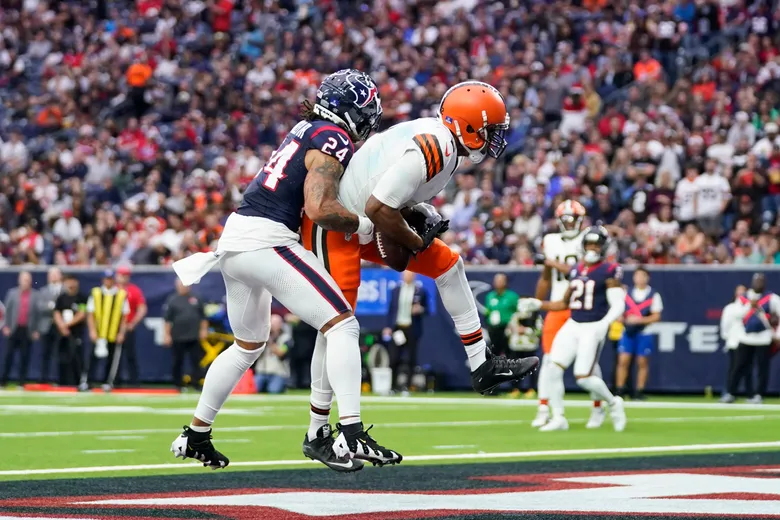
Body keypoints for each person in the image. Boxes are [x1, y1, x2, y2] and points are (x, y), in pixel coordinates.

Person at [299, 81, 538, 470]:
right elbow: (379, 207)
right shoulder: (435, 147)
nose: (495, 138)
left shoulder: (444, 146)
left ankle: (481, 364)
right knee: (338, 327)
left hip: (364, 223)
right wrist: (413, 239)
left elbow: (386, 205)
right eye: (490, 129)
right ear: (467, 126)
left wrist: (415, 218)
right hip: (338, 225)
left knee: (448, 265)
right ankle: (319, 433)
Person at [171, 69, 397, 473]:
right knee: (343, 325)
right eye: (365, 111)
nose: (368, 119)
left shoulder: (305, 127)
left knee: (247, 346)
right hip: (266, 240)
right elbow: (320, 208)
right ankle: (350, 431)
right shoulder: (332, 136)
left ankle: (196, 434)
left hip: (235, 240)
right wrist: (366, 225)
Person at [518, 226, 627, 432]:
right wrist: (538, 304)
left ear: (604, 247)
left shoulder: (609, 270)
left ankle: (613, 403)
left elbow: (618, 304)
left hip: (592, 326)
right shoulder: (577, 269)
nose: (593, 248)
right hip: (573, 324)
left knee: (583, 378)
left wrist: (604, 324)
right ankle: (559, 417)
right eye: (589, 244)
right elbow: (564, 303)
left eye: (597, 245)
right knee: (553, 367)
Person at [532, 200, 602, 429]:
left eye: (573, 219)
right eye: (566, 219)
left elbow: (580, 271)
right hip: (557, 305)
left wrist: (550, 262)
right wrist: (538, 304)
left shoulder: (590, 239)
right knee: (549, 360)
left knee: (589, 362)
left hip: (581, 306)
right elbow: (545, 277)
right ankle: (545, 408)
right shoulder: (550, 240)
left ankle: (598, 407)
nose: (569, 223)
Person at [727, 273, 780, 404]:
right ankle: (731, 393)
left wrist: (778, 335)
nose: (758, 283)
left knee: (762, 367)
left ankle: (759, 394)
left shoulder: (772, 298)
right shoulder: (743, 298)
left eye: (761, 281)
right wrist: (750, 306)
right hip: (746, 337)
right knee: (739, 365)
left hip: (764, 337)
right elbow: (736, 315)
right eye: (757, 281)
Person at [615, 267, 664, 400]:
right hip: (628, 331)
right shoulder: (626, 293)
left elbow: (656, 316)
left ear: (647, 278)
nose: (639, 279)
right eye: (637, 275)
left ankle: (639, 390)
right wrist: (624, 319)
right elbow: (618, 313)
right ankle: (620, 389)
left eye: (642, 276)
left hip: (644, 332)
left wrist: (640, 320)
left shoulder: (653, 294)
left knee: (642, 361)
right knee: (623, 360)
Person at [84, 269, 129, 392]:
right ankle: (87, 381)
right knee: (92, 358)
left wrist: (121, 333)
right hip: (99, 331)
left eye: (110, 279)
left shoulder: (121, 294)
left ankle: (109, 382)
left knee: (112, 359)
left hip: (113, 332)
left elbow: (124, 316)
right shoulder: (96, 293)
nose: (108, 281)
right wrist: (92, 330)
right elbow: (90, 314)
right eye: (106, 279)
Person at [384, 271, 428, 393]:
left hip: (412, 328)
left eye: (410, 274)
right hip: (398, 328)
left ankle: (407, 387)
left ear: (414, 276)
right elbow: (391, 309)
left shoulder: (420, 291)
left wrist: (420, 309)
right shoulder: (396, 290)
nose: (407, 277)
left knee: (410, 358)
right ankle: (393, 386)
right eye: (405, 274)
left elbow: (427, 309)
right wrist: (388, 326)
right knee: (394, 358)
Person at [163, 279, 208, 392]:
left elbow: (203, 317)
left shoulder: (196, 298)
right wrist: (167, 335)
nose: (183, 287)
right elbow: (167, 320)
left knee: (196, 361)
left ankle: (197, 383)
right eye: (181, 285)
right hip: (178, 335)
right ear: (177, 286)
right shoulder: (172, 300)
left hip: (194, 335)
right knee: (177, 361)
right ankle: (177, 384)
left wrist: (203, 330)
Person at [1, 272, 41, 388]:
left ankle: (21, 381)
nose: (26, 282)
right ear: (19, 280)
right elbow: (7, 311)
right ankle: (3, 380)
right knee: (9, 356)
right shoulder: (12, 293)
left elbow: (37, 314)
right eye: (24, 279)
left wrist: (36, 330)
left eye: (28, 280)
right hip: (14, 328)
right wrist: (6, 326)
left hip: (27, 329)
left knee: (25, 357)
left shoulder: (35, 295)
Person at [52, 275, 87, 386]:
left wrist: (67, 324)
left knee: (76, 357)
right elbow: (56, 312)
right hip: (62, 333)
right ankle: (63, 381)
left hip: (76, 332)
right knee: (62, 357)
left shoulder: (81, 297)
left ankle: (78, 381)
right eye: (68, 281)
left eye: (72, 281)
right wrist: (62, 326)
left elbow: (82, 313)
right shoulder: (61, 298)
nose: (71, 284)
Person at [115, 265, 147, 387]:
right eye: (121, 275)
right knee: (114, 355)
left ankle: (133, 381)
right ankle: (114, 380)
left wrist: (133, 323)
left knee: (130, 354)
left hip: (128, 326)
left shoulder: (134, 290)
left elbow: (142, 308)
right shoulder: (113, 289)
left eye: (126, 275)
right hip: (113, 327)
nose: (123, 278)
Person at [506, 307, 543, 397]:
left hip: (530, 346)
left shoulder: (536, 316)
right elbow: (508, 330)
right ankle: (515, 389)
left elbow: (539, 330)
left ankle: (532, 389)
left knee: (531, 369)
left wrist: (526, 330)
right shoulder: (514, 315)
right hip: (516, 346)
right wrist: (515, 330)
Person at [720, 285, 747, 403]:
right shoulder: (730, 308)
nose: (741, 294)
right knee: (734, 368)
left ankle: (751, 394)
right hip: (733, 342)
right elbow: (724, 325)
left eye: (743, 291)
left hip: (747, 342)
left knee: (747, 369)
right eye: (739, 291)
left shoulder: (751, 306)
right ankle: (728, 392)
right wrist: (727, 337)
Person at [483, 273, 519, 358]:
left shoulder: (512, 296)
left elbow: (518, 312)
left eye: (500, 280)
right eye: (496, 280)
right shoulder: (490, 296)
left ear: (505, 282)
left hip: (508, 329)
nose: (498, 282)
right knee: (494, 353)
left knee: (510, 353)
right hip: (494, 329)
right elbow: (487, 312)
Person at [254, 314, 291, 394]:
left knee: (274, 391)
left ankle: (283, 386)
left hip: (278, 372)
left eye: (275, 323)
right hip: (262, 371)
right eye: (271, 323)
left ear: (280, 324)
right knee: (254, 390)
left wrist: (269, 340)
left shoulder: (286, 338)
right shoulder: (262, 337)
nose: (272, 326)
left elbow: (281, 353)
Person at [37, 267, 62, 384]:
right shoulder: (43, 290)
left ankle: (58, 378)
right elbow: (40, 307)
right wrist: (51, 306)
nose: (53, 277)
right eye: (51, 275)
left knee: (59, 353)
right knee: (45, 353)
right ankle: (43, 379)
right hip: (46, 326)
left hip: (60, 325)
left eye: (55, 274)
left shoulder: (64, 289)